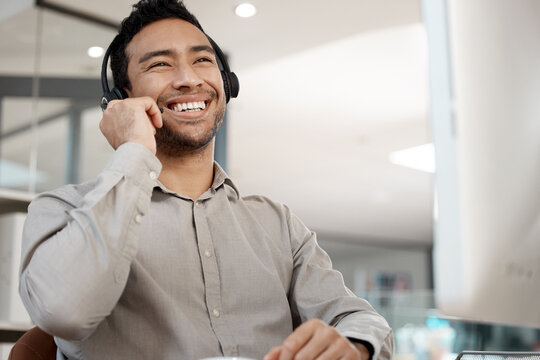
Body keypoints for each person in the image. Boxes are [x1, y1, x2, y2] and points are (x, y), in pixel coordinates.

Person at [18, 0, 394, 359]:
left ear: (227, 83)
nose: (188, 79)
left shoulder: (277, 225)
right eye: (160, 65)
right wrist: (132, 151)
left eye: (202, 60)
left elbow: (359, 319)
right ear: (121, 98)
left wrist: (354, 345)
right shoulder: (64, 211)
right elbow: (63, 312)